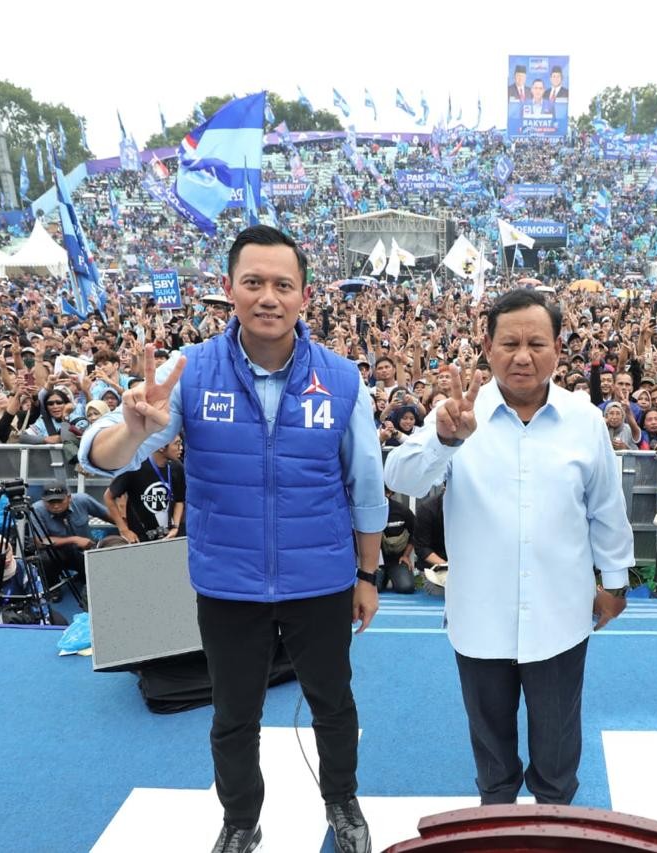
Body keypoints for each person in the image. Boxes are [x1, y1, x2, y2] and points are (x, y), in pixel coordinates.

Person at [80, 225, 385, 853]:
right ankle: (242, 820)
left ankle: (342, 802)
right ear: (229, 290)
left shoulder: (343, 377)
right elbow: (101, 455)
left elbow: (366, 486)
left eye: (282, 284)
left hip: (321, 577)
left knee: (333, 703)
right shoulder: (187, 371)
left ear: (304, 295)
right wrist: (137, 430)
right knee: (234, 716)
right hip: (227, 579)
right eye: (253, 283)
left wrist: (368, 574)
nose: (267, 297)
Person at [384, 288, 634, 808]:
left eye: (537, 343)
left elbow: (606, 507)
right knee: (491, 748)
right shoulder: (457, 414)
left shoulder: (584, 419)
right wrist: (444, 442)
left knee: (559, 744)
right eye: (510, 343)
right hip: (480, 617)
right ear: (487, 346)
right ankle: (497, 818)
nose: (523, 356)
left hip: (560, 615)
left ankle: (553, 822)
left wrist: (615, 580)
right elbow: (398, 473)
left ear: (558, 348)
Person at [30, 485, 114, 593]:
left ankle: (84, 575)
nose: (56, 506)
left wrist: (125, 528)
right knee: (44, 559)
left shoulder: (83, 500)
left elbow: (107, 515)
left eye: (60, 501)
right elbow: (40, 541)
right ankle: (53, 588)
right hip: (58, 553)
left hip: (84, 550)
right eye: (51, 502)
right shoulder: (36, 510)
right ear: (43, 501)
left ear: (69, 498)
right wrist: (74, 539)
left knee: (97, 580)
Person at [104, 437, 186, 542]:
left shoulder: (177, 467)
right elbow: (108, 497)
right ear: (161, 447)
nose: (181, 448)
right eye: (177, 444)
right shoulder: (135, 466)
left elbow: (179, 500)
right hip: (140, 537)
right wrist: (124, 529)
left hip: (170, 535)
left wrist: (175, 527)